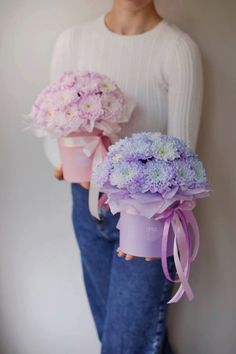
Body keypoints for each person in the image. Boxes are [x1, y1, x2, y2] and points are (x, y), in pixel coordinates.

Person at [46, 0, 203, 353]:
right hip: (86, 207)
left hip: (146, 216)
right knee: (124, 338)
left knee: (125, 345)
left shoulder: (177, 50)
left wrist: (156, 224)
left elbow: (182, 156)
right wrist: (62, 162)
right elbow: (53, 128)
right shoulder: (72, 41)